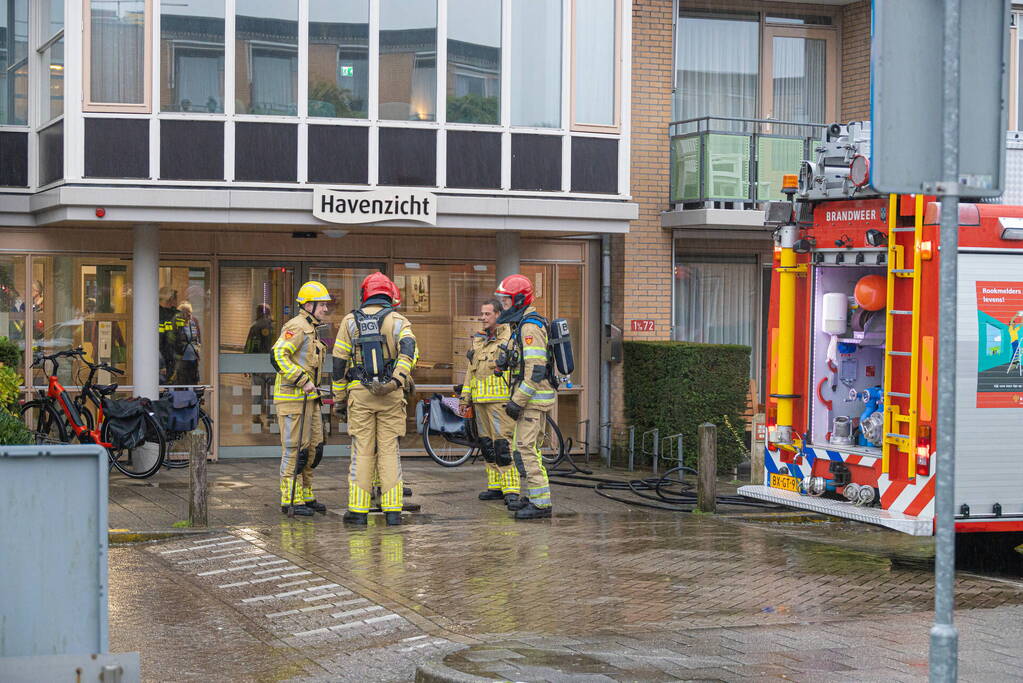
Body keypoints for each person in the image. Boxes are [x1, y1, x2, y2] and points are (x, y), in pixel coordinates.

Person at [332, 272, 417, 526]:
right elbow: (409, 353)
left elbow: (339, 363)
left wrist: (339, 398)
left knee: (362, 452)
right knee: (390, 451)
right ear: (389, 293)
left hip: (360, 394)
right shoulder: (399, 321)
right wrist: (396, 381)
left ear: (365, 293)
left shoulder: (350, 321)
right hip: (391, 396)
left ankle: (358, 511)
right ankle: (392, 511)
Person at [495, 274, 557, 520]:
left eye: (506, 301)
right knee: (527, 449)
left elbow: (535, 370)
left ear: (519, 300)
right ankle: (534, 497)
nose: (503, 306)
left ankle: (541, 504)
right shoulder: (521, 325)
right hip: (530, 400)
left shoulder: (530, 327)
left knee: (526, 449)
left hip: (532, 401)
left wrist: (517, 401)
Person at [272, 281, 331, 516]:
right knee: (294, 450)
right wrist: (302, 380)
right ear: (308, 305)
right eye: (322, 304)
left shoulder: (312, 328)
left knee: (313, 449)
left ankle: (306, 495)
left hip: (310, 400)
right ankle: (290, 499)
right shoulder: (296, 326)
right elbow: (278, 355)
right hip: (292, 400)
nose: (326, 308)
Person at [459, 298, 520, 507]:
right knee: (487, 446)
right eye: (482, 314)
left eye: (487, 314)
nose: (483, 318)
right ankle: (495, 486)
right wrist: (465, 398)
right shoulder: (479, 339)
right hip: (480, 402)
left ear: (498, 315)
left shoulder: (510, 338)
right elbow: (471, 371)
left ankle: (511, 489)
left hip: (500, 402)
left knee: (503, 446)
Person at [173, 301, 201, 385]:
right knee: (182, 381)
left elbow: (197, 339)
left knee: (193, 381)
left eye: (190, 312)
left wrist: (198, 349)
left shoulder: (193, 323)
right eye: (186, 312)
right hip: (181, 359)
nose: (189, 314)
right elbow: (173, 342)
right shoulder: (176, 325)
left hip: (193, 358)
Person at [158, 287, 179, 385]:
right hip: (164, 358)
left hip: (171, 358)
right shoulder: (158, 314)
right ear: (170, 299)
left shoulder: (176, 314)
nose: (176, 301)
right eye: (175, 298)